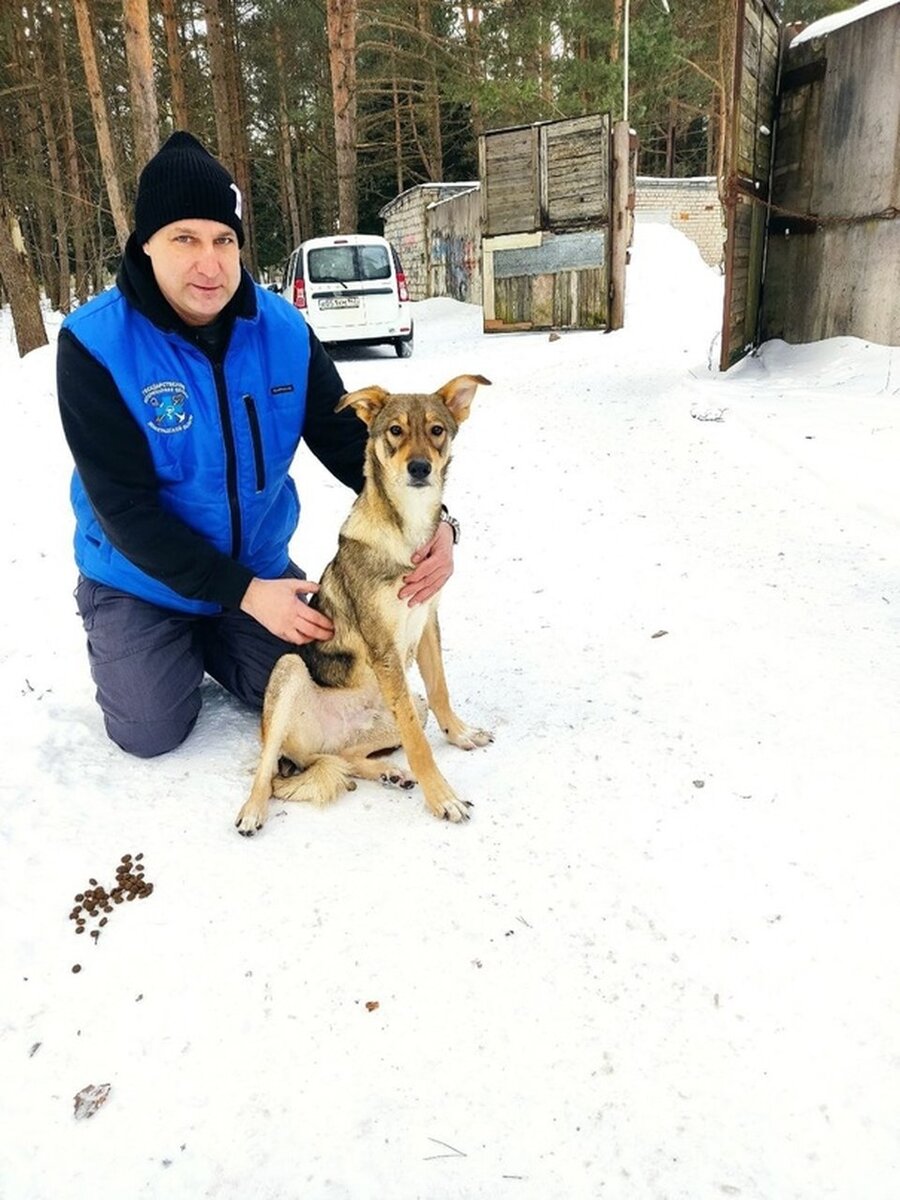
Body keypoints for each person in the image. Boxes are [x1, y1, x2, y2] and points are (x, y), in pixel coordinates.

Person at [57, 131, 457, 758]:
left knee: (335, 686)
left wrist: (442, 527)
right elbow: (123, 507)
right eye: (184, 239)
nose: (209, 263)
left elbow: (358, 444)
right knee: (149, 730)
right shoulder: (95, 345)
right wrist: (244, 597)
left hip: (259, 570)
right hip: (142, 579)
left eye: (224, 240)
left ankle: (224, 637)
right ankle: (166, 638)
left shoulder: (283, 330)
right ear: (146, 245)